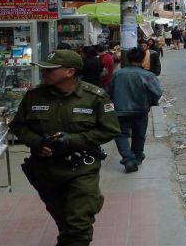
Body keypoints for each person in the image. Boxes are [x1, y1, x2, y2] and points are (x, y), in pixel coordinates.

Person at [10, 50, 121, 246]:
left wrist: (72, 140)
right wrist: (36, 142)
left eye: (50, 70)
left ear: (70, 72)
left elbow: (110, 130)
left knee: (79, 223)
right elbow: (18, 126)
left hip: (81, 168)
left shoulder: (95, 97)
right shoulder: (34, 96)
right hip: (45, 170)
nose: (44, 73)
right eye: (43, 69)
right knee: (63, 220)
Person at [108, 48, 163, 172]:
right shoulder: (148, 75)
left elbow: (109, 92)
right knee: (139, 135)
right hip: (140, 109)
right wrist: (151, 101)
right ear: (143, 59)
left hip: (120, 110)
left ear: (128, 58)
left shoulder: (117, 74)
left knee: (121, 134)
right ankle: (137, 157)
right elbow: (157, 92)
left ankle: (128, 159)